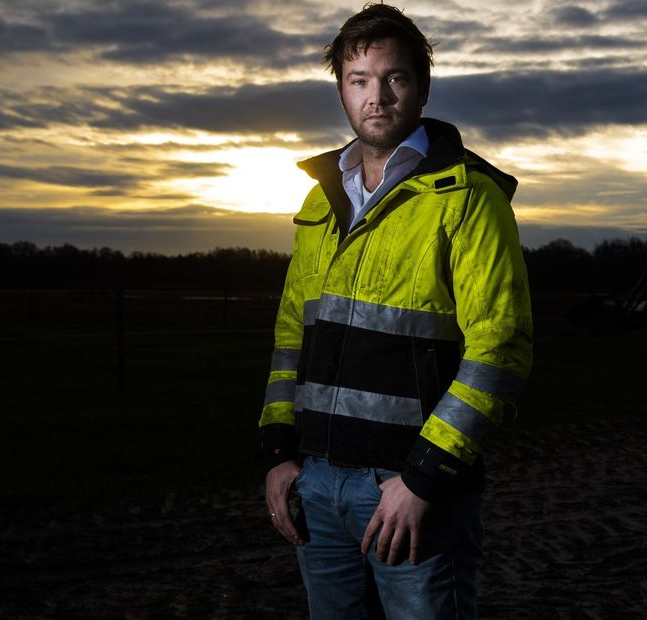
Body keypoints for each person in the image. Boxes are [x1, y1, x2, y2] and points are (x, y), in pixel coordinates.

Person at [257, 4, 533, 619]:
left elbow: (500, 351)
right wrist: (280, 454)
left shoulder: (468, 197)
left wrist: (423, 478)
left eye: (395, 78)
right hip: (318, 485)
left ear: (422, 88)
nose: (376, 96)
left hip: (411, 490)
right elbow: (289, 338)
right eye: (359, 80)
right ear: (341, 92)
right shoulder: (320, 199)